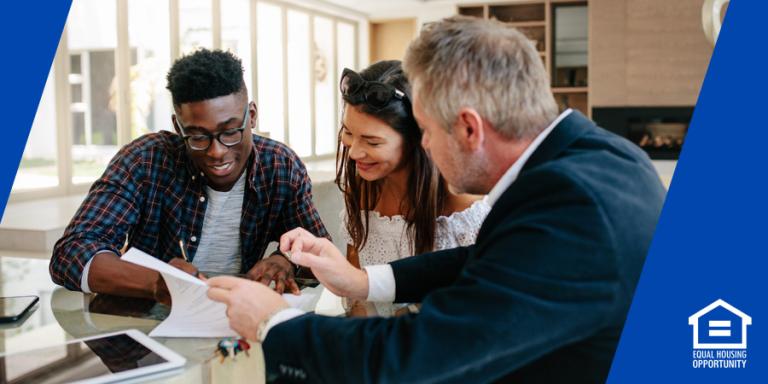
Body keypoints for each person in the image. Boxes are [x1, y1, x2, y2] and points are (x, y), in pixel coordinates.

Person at [207, 16, 666, 383]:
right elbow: (488, 261)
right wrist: (363, 282)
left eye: (425, 130)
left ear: (469, 129)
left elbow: (416, 360)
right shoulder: (600, 155)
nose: (423, 146)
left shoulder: (573, 210)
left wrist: (274, 326)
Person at [50, 49, 328, 304]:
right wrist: (157, 283)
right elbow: (71, 253)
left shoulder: (280, 166)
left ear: (251, 116)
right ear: (177, 126)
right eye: (197, 136)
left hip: (239, 318)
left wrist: (285, 259)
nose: (217, 152)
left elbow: (320, 251)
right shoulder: (145, 160)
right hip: (150, 325)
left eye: (230, 131)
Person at [336, 60, 488, 270]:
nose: (353, 152)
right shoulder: (364, 191)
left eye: (372, 142)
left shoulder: (463, 208)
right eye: (348, 132)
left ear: (417, 140)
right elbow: (354, 284)